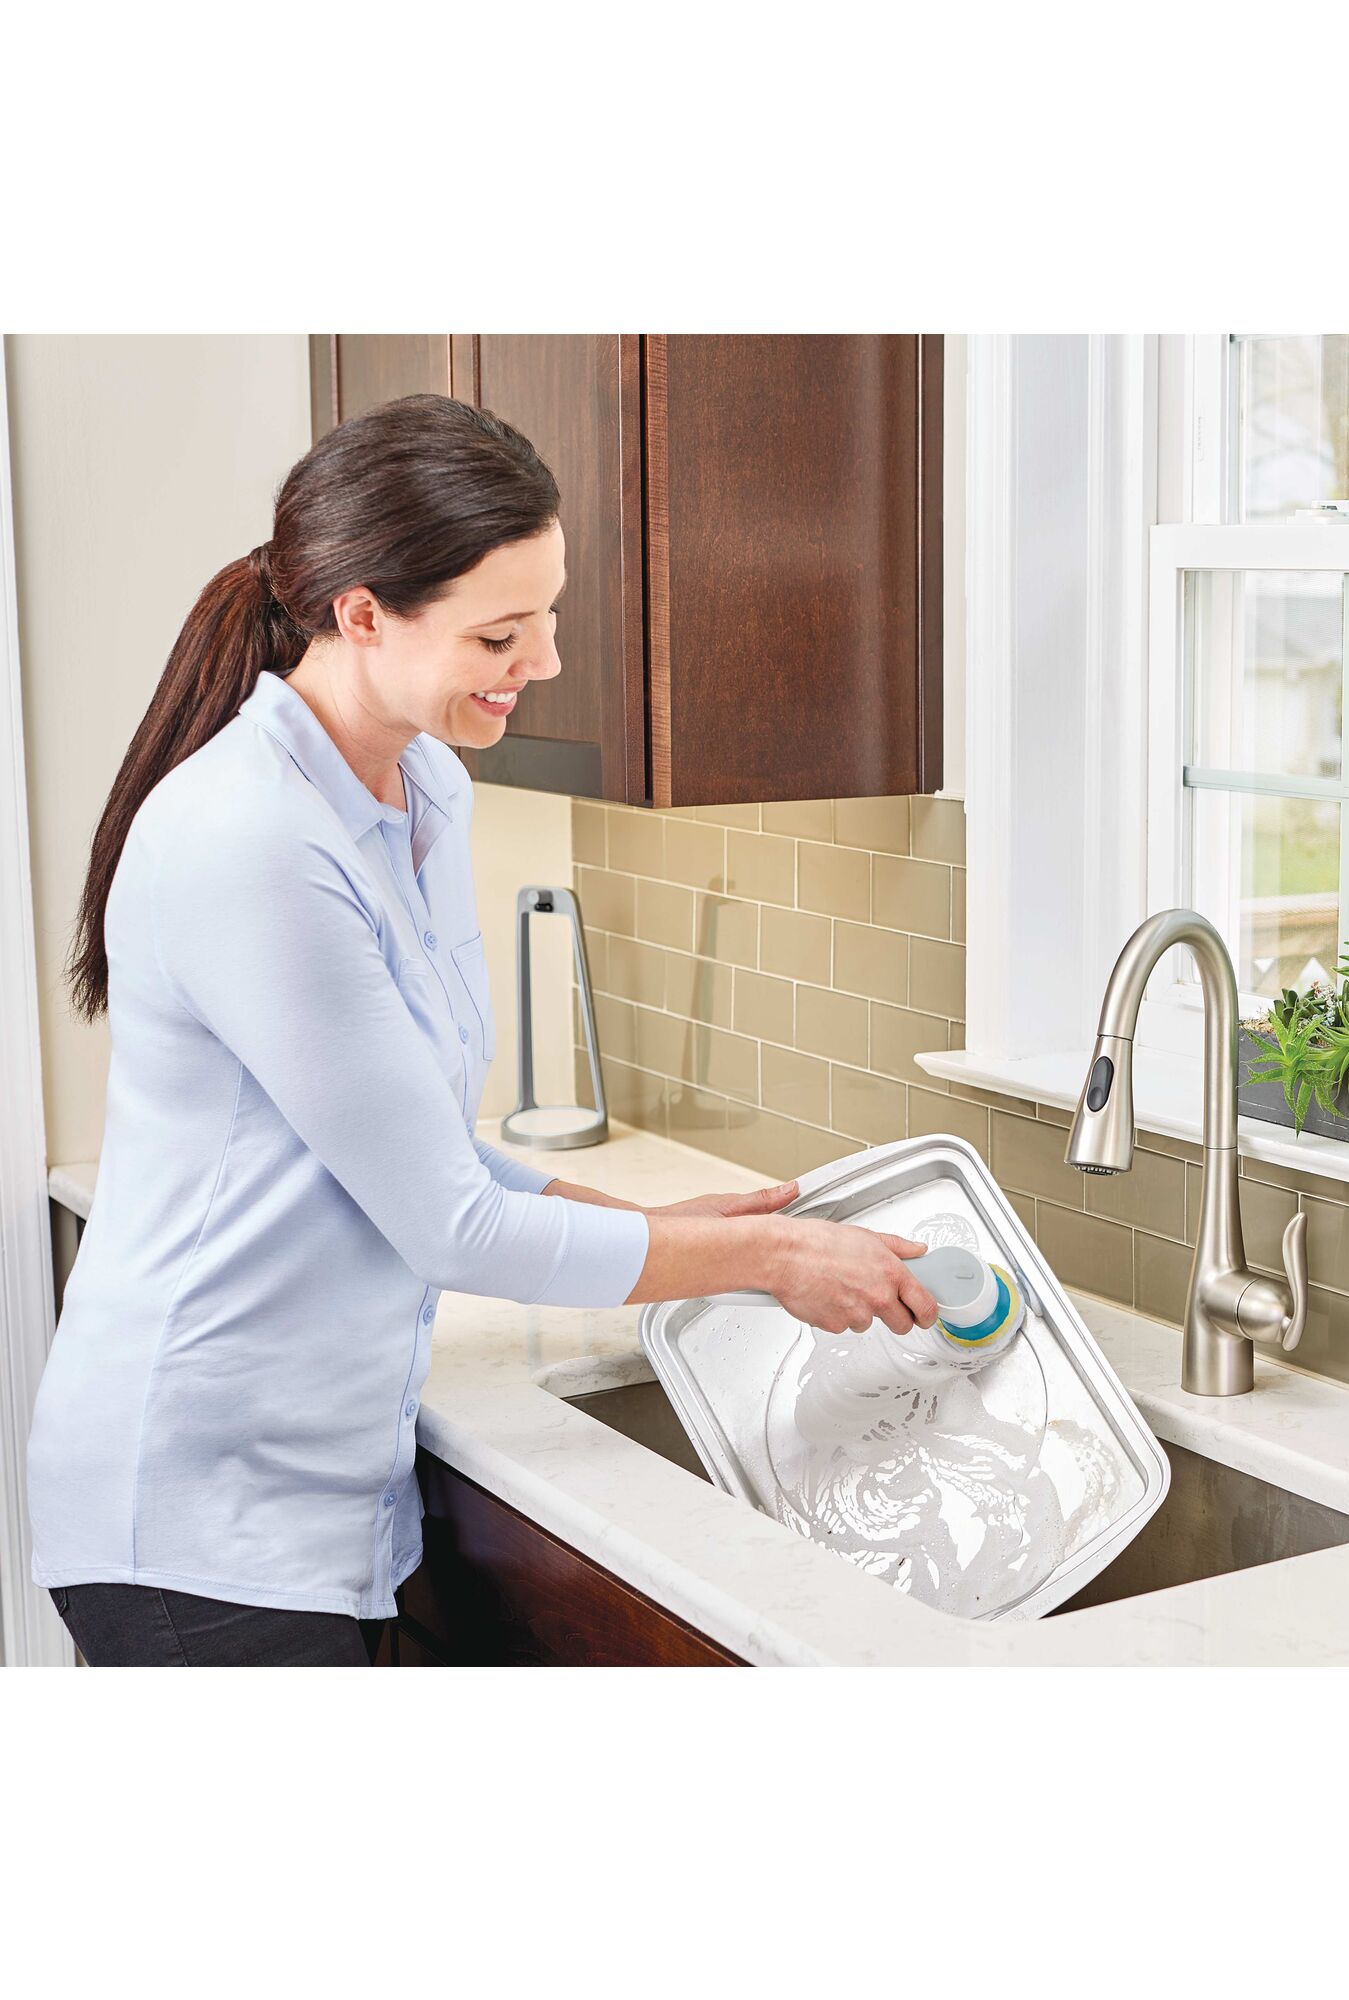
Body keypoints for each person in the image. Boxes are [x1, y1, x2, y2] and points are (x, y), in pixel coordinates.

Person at [28, 393, 936, 1666]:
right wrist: (769, 1259)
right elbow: (448, 1223)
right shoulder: (251, 842)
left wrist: (666, 1229)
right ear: (360, 614)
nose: (546, 659)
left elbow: (420, 1151)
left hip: (326, 1495)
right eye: (502, 631)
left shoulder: (424, 788)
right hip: (200, 1514)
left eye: (549, 613)